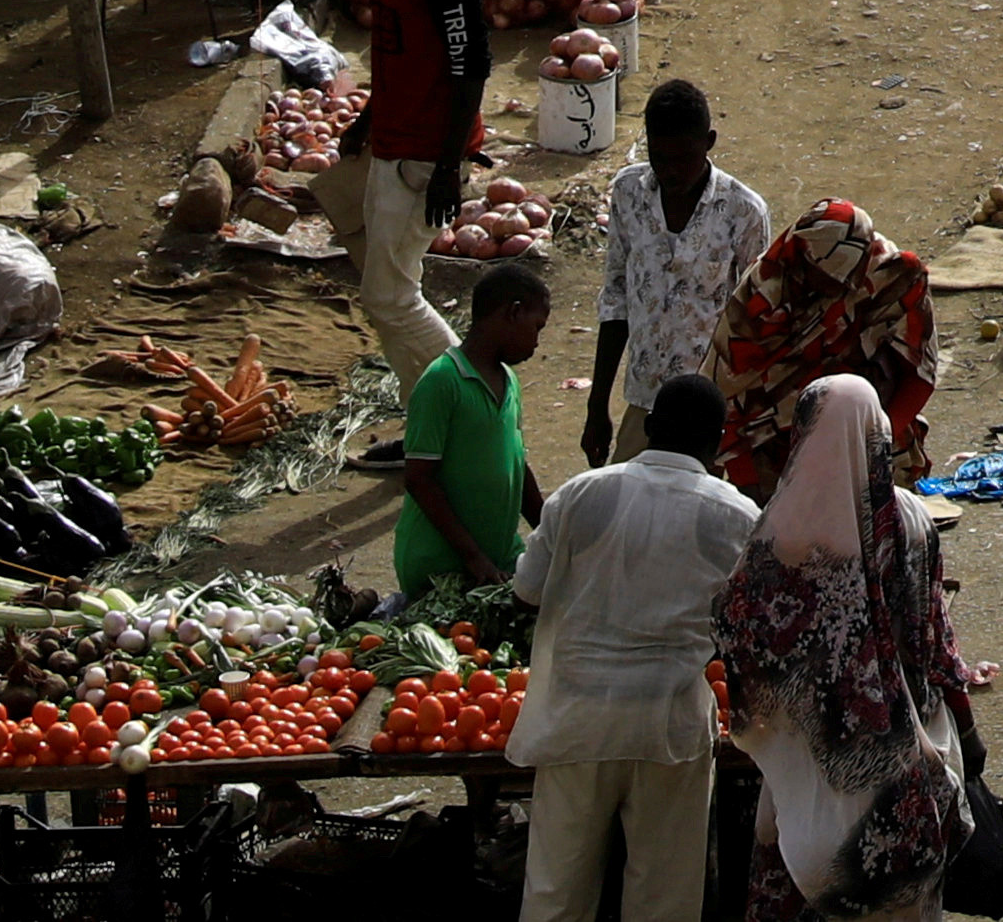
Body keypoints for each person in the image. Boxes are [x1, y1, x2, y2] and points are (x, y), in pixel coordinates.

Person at [512, 370, 763, 922]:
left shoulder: (581, 493)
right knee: (664, 895)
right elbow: (754, 628)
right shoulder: (737, 515)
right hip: (668, 723)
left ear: (649, 426)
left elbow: (527, 590)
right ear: (719, 440)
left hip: (577, 715)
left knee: (556, 890)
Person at [333, 0, 495, 378]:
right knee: (397, 291)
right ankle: (424, 426)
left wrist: (449, 165)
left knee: (387, 298)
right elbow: (400, 50)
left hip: (424, 159)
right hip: (393, 145)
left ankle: (479, 396)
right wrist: (367, 118)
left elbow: (471, 66)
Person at [589, 79, 772, 471]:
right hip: (645, 400)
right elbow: (616, 298)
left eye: (684, 158)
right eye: (660, 156)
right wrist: (596, 405)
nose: (671, 171)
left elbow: (755, 322)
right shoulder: (628, 193)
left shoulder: (744, 212)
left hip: (713, 411)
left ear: (709, 142)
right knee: (629, 513)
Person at [703, 203, 935, 495]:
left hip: (868, 428)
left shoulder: (894, 279)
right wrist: (754, 496)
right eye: (815, 274)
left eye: (836, 282)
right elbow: (733, 403)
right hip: (778, 447)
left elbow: (919, 374)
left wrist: (876, 442)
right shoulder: (762, 299)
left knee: (878, 528)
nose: (823, 289)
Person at [401, 260, 555, 595]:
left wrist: (552, 535)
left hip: (497, 558)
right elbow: (419, 478)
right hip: (443, 566)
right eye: (537, 328)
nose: (537, 343)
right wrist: (474, 558)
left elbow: (516, 464)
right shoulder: (442, 381)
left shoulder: (510, 381)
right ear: (513, 313)